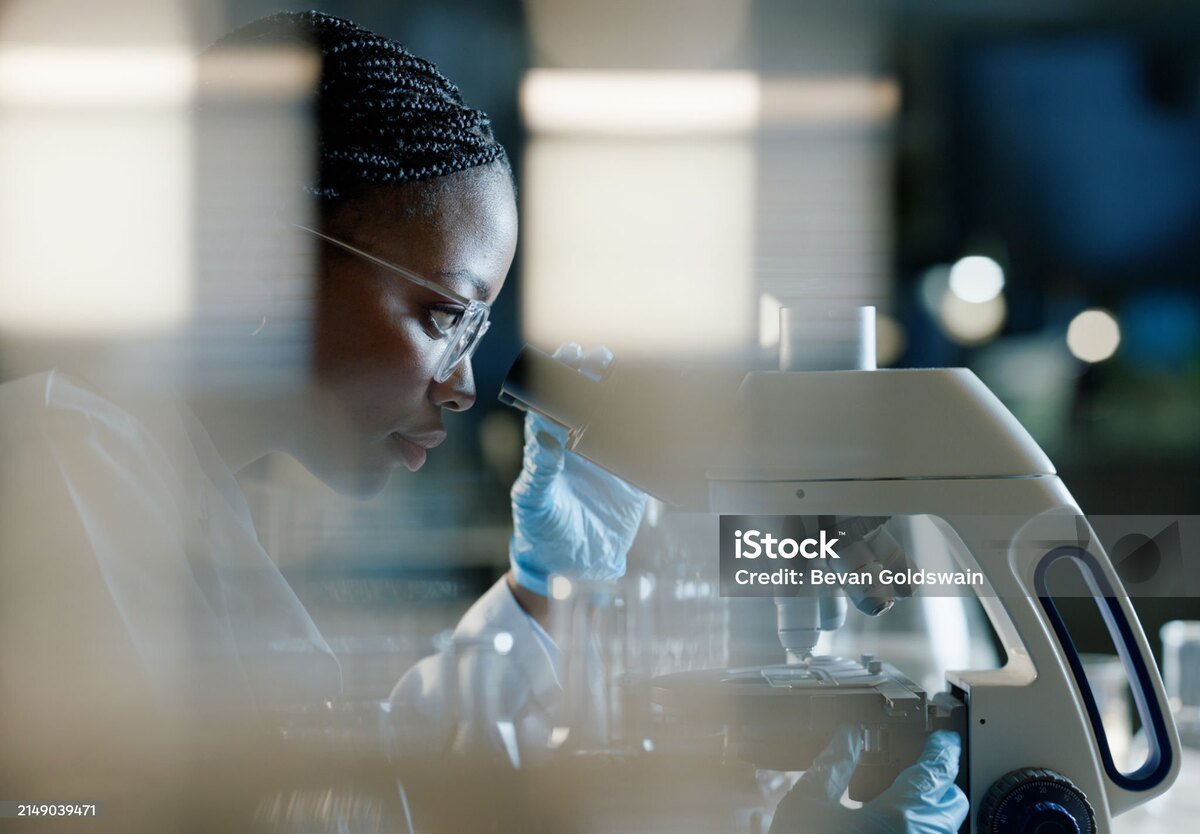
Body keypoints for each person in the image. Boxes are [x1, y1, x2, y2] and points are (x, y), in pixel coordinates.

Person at [0, 10, 966, 832]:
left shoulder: (165, 484)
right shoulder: (57, 474)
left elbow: (345, 779)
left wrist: (546, 588)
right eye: (443, 315)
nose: (463, 386)